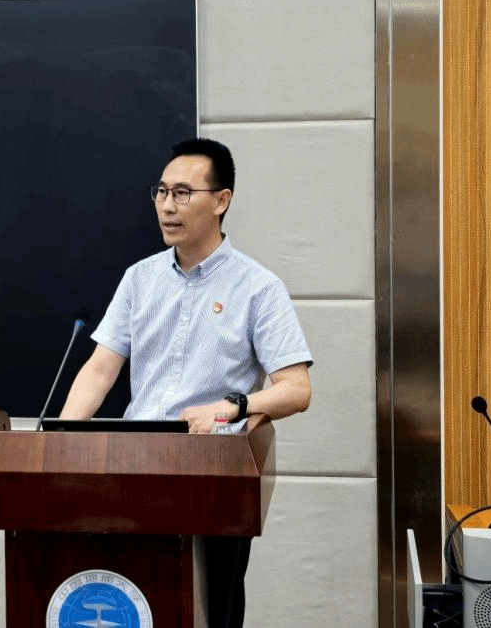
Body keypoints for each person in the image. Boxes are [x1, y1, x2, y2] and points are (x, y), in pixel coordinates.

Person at [59, 137, 313, 628]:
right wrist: (63, 439)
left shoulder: (259, 288)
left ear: (221, 201)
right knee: (133, 598)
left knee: (209, 609)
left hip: (213, 476)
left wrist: (232, 406)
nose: (167, 206)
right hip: (133, 467)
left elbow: (297, 389)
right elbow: (100, 368)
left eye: (182, 193)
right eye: (160, 192)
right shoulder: (139, 279)